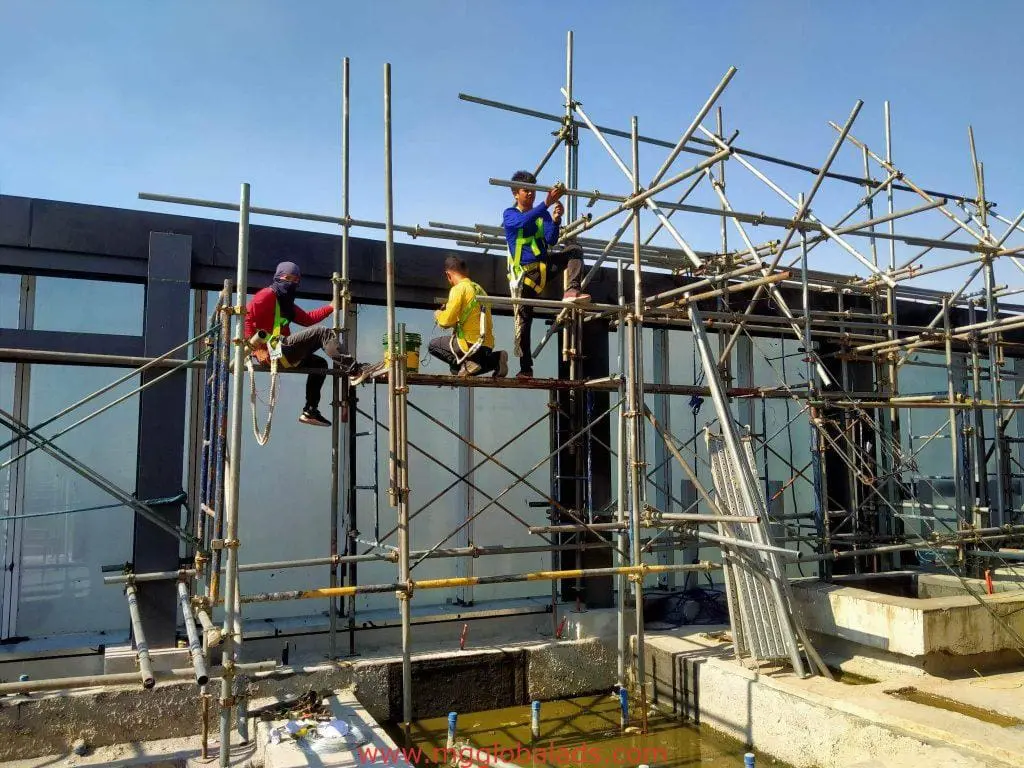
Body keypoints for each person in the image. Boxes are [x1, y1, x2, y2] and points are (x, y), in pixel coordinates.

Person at [245, 261, 363, 427]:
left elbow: (307, 319)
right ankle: (354, 370)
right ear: (277, 277)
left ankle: (310, 410)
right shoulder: (266, 296)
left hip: (281, 352)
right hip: (275, 350)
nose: (291, 283)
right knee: (322, 332)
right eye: (287, 278)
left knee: (319, 364)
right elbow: (247, 318)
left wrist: (331, 307)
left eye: (295, 280)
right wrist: (255, 351)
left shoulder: (285, 303)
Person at [503, 170, 590, 378]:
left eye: (533, 190)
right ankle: (525, 369)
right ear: (516, 193)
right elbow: (523, 223)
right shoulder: (510, 214)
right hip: (524, 276)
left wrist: (556, 219)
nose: (531, 195)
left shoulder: (542, 213)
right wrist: (547, 204)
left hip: (542, 268)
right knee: (524, 324)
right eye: (526, 191)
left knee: (574, 250)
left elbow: (551, 239)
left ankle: (572, 291)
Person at [429, 255, 508, 377]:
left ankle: (466, 365)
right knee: (463, 370)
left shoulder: (459, 289)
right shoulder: (480, 290)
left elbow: (446, 321)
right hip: (486, 346)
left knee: (433, 346)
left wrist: (438, 314)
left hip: (470, 345)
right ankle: (495, 359)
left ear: (448, 275)